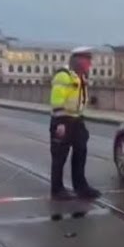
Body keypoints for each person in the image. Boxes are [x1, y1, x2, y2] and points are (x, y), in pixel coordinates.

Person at [49, 46, 101, 200]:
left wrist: (89, 101)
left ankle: (81, 187)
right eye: (87, 60)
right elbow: (56, 100)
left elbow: (77, 98)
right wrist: (60, 123)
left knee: (81, 153)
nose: (90, 64)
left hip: (77, 120)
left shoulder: (81, 76)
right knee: (60, 157)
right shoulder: (63, 76)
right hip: (63, 120)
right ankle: (57, 190)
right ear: (78, 60)